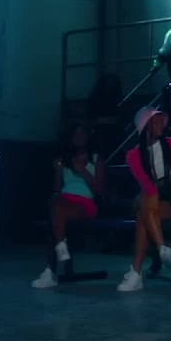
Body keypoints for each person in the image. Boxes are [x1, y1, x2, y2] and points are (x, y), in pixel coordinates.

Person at [118, 107, 171, 292]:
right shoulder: (133, 155)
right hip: (153, 199)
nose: (160, 124)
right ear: (145, 126)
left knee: (143, 207)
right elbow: (146, 184)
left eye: (160, 121)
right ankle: (162, 250)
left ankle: (137, 271)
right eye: (154, 121)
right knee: (145, 205)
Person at [32, 123, 106, 289]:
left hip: (85, 202)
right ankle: (53, 264)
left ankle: (54, 261)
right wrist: (58, 172)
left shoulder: (96, 159)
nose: (79, 137)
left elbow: (99, 191)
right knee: (56, 204)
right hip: (63, 201)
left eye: (82, 134)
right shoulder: (64, 161)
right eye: (76, 134)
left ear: (88, 137)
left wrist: (83, 171)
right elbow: (57, 189)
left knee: (55, 214)